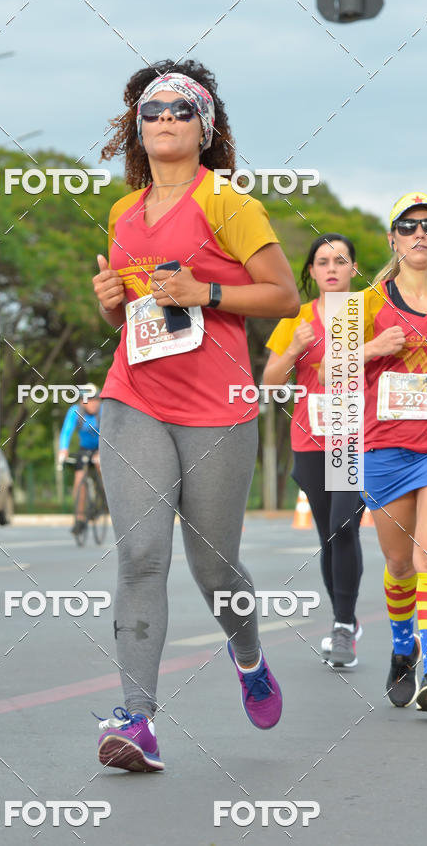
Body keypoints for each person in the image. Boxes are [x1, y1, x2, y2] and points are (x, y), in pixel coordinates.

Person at [91, 60, 300, 772]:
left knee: (214, 568)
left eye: (182, 110)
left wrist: (206, 292)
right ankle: (136, 720)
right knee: (140, 556)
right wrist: (111, 304)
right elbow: (137, 310)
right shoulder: (124, 212)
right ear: (137, 127)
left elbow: (283, 295)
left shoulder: (227, 202)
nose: (165, 120)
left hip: (217, 406)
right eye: (152, 111)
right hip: (134, 396)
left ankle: (249, 655)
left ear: (205, 128)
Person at [361, 192, 427, 713]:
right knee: (400, 564)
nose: (419, 233)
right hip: (384, 449)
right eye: (408, 225)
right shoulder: (362, 305)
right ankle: (404, 647)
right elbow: (324, 372)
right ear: (393, 238)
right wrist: (371, 349)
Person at [263, 234, 366, 669]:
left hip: (356, 438)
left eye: (340, 261)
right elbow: (270, 384)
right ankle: (345, 619)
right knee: (329, 534)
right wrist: (293, 349)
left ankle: (342, 625)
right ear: (310, 271)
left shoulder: (368, 313)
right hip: (310, 439)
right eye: (322, 261)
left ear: (353, 269)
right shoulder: (298, 318)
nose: (331, 268)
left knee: (343, 526)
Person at [58, 392, 101, 536]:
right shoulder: (75, 411)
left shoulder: (103, 411)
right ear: (82, 402)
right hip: (85, 449)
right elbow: (66, 431)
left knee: (101, 466)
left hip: (102, 446)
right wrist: (63, 449)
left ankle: (103, 499)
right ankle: (80, 518)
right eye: (90, 400)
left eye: (96, 400)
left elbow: (111, 432)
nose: (94, 404)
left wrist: (102, 452)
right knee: (79, 480)